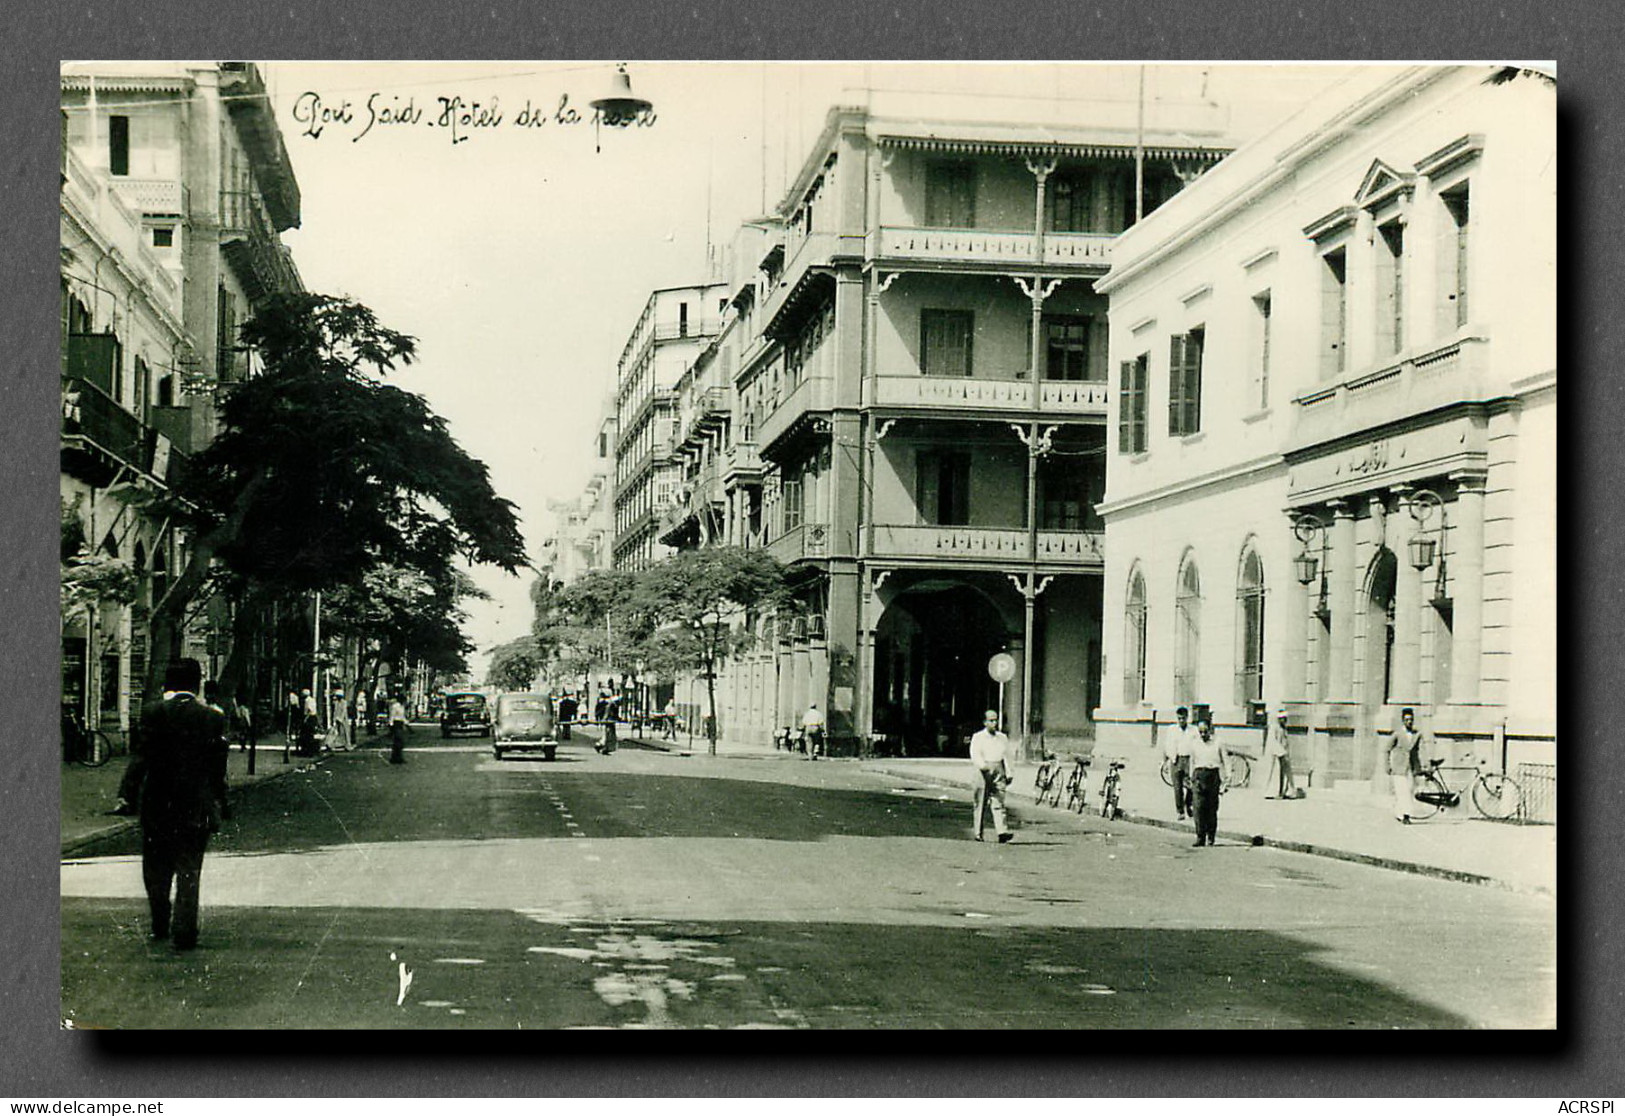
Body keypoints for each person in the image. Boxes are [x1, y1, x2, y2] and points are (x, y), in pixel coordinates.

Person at [132, 658, 229, 951]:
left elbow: (141, 759)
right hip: (194, 805)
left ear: (168, 683)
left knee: (155, 868)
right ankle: (184, 930)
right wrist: (220, 802)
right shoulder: (212, 718)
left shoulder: (152, 712)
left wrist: (128, 794)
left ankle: (160, 921)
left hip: (157, 803)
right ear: (197, 683)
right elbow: (217, 768)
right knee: (189, 869)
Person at [968, 709, 1014, 843]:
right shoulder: (978, 737)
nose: (994, 723)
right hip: (983, 771)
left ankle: (1002, 832)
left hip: (998, 769)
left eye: (996, 720)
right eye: (991, 720)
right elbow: (975, 753)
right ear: (985, 722)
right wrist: (983, 766)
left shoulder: (1002, 738)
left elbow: (1008, 756)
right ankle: (978, 832)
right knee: (980, 802)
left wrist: (1009, 772)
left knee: (999, 800)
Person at [1188, 715, 1228, 847]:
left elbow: (1226, 761)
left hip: (1213, 776)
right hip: (1199, 775)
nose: (1203, 734)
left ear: (1211, 729)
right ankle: (1200, 837)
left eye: (1205, 731)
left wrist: (1226, 780)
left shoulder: (1218, 742)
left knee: (1211, 809)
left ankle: (1211, 837)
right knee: (1198, 808)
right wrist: (1190, 778)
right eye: (1200, 732)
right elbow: (1192, 761)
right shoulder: (1194, 742)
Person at [1390, 707, 1425, 824]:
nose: (1409, 722)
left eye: (1411, 719)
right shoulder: (1397, 734)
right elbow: (1386, 749)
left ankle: (1398, 811)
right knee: (1403, 791)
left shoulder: (1417, 735)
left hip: (1411, 768)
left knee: (1409, 790)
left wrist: (1423, 765)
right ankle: (1406, 816)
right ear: (1403, 721)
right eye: (1406, 720)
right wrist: (1388, 766)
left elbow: (1420, 751)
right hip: (1399, 768)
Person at [1169, 706, 1199, 820]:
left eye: (1183, 718)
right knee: (1177, 787)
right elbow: (1167, 746)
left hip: (1189, 760)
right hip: (1176, 760)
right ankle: (1180, 811)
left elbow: (1197, 745)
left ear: (1187, 718)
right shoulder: (1172, 730)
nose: (1181, 721)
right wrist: (1166, 760)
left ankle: (1188, 804)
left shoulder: (1194, 730)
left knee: (1191, 786)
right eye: (1179, 718)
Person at [1264, 709, 1297, 799]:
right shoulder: (1274, 727)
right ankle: (1272, 792)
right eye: (1282, 718)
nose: (1284, 720)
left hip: (1283, 753)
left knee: (1286, 773)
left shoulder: (1283, 728)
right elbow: (1272, 741)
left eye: (1285, 718)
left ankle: (1287, 791)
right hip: (1275, 755)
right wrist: (1280, 751)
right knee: (1275, 773)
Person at [387, 691, 409, 764]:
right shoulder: (395, 706)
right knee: (397, 741)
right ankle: (394, 758)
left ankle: (399, 757)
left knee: (400, 742)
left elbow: (402, 716)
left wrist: (406, 723)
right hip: (396, 724)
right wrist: (391, 724)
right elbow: (392, 715)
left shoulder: (402, 706)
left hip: (400, 724)